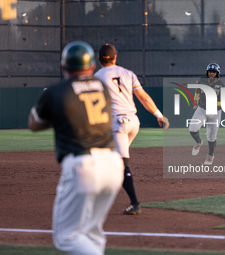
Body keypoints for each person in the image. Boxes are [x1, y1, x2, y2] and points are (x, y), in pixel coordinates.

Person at [28, 41, 124, 255]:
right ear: (92, 67)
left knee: (66, 237)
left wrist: (58, 112)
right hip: (112, 164)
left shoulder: (56, 92)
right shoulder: (104, 88)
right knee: (92, 233)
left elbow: (34, 124)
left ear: (63, 67)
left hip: (83, 165)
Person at [95, 43, 169, 215]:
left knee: (120, 163)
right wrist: (159, 114)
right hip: (133, 123)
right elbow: (143, 97)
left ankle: (135, 203)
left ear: (99, 59)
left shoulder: (97, 77)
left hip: (117, 123)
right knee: (112, 159)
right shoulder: (128, 73)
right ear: (115, 57)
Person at [188, 63, 225, 165]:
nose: (211, 74)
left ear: (217, 73)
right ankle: (198, 142)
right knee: (192, 129)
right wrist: (196, 99)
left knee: (212, 137)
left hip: (215, 112)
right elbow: (197, 88)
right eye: (210, 72)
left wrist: (216, 103)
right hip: (202, 109)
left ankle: (210, 155)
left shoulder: (221, 85)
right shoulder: (202, 80)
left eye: (214, 72)